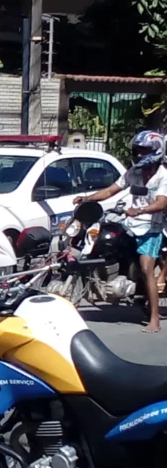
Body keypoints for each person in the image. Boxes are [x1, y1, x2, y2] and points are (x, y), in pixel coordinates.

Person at [73, 130, 167, 333]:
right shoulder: (133, 173)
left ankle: (154, 318)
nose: (140, 154)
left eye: (144, 151)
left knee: (146, 269)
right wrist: (87, 198)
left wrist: (139, 210)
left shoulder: (163, 176)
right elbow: (110, 190)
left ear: (156, 151)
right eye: (138, 150)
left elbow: (161, 203)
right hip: (130, 223)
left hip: (151, 227)